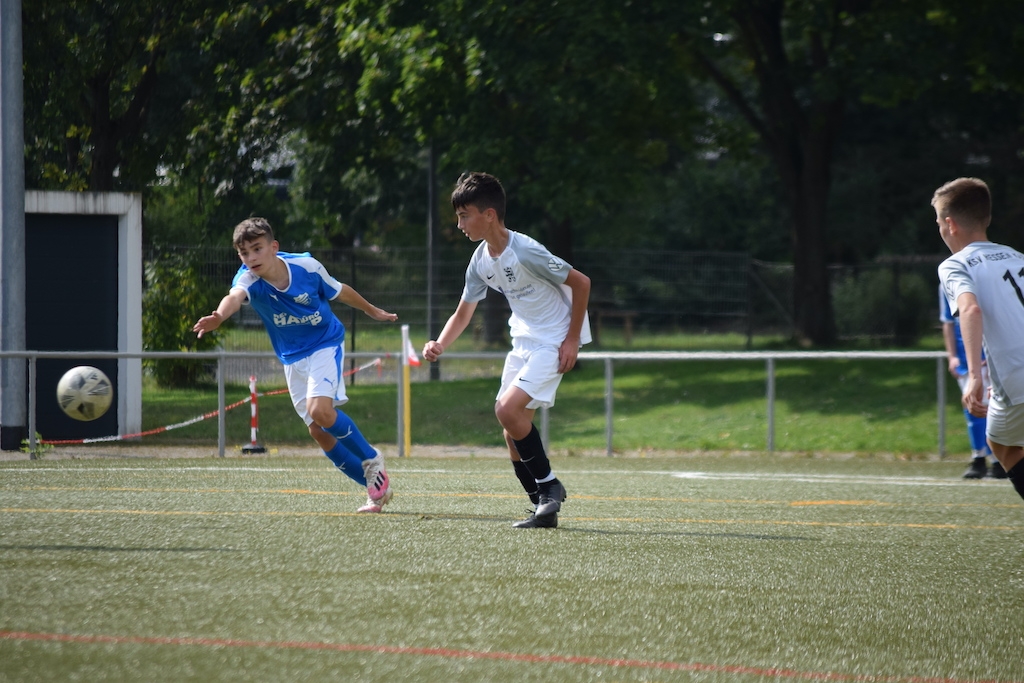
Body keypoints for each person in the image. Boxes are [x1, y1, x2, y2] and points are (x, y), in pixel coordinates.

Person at [422, 172, 592, 528]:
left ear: (489, 215)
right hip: (523, 340)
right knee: (511, 430)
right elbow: (463, 312)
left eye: (464, 216)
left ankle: (551, 487)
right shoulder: (480, 260)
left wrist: (571, 339)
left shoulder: (525, 251)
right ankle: (542, 507)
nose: (460, 225)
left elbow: (581, 282)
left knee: (506, 410)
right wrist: (440, 343)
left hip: (552, 339)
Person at [193, 217, 397, 512]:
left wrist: (372, 310)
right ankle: (375, 489)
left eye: (257, 249)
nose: (251, 258)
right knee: (318, 431)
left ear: (274, 247)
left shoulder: (306, 267)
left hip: (325, 344)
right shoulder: (248, 279)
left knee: (320, 411)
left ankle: (372, 459)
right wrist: (219, 316)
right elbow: (234, 297)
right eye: (244, 253)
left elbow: (339, 290)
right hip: (291, 357)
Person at [934, 177, 1024, 501]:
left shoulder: (954, 265)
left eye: (938, 223)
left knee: (1000, 444)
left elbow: (970, 310)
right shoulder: (1017, 256)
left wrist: (974, 376)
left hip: (1015, 377)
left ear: (950, 224)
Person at [938, 284, 1004, 479]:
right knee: (973, 408)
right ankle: (980, 458)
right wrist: (952, 356)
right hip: (965, 361)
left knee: (991, 407)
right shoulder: (947, 280)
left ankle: (997, 460)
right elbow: (948, 322)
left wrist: (994, 353)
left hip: (988, 358)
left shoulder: (983, 278)